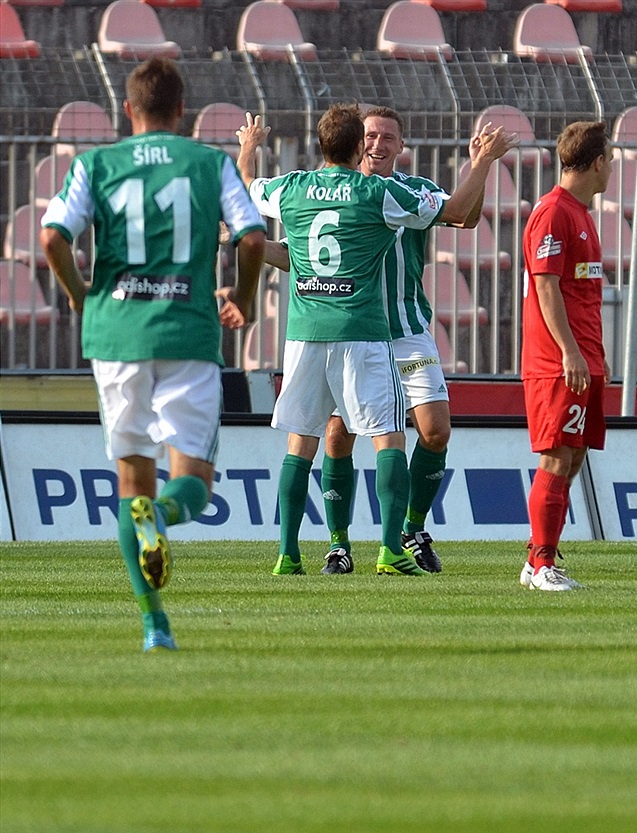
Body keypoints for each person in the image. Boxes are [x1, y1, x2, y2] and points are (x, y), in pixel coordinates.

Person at [40, 57, 266, 651]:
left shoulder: (96, 164)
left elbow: (52, 236)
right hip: (187, 334)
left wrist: (80, 295)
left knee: (130, 482)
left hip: (117, 337)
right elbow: (251, 238)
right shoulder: (211, 163)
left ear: (128, 109)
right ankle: (162, 515)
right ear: (182, 109)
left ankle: (154, 625)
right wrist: (243, 298)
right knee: (193, 481)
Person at [235, 107, 516, 575]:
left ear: (401, 146)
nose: (378, 144)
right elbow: (295, 255)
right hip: (361, 333)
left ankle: (407, 529)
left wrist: (479, 167)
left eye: (388, 137)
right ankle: (341, 545)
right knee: (347, 435)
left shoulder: (407, 189)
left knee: (434, 429)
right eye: (370, 136)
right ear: (356, 143)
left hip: (400, 332)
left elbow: (464, 217)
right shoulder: (376, 195)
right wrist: (483, 161)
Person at [520, 120, 612, 591]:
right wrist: (570, 353)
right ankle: (542, 566)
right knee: (558, 456)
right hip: (556, 361)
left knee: (573, 456)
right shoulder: (554, 212)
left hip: (582, 357)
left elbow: (581, 293)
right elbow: (546, 286)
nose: (611, 168)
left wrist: (595, 356)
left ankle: (537, 557)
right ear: (597, 162)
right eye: (610, 159)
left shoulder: (581, 213)